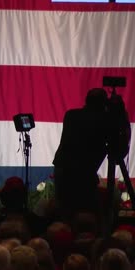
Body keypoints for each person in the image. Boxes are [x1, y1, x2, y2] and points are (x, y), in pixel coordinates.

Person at [52, 88, 110, 221]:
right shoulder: (103, 121)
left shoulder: (71, 115)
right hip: (83, 173)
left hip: (64, 170)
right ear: (103, 104)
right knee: (86, 213)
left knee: (65, 211)